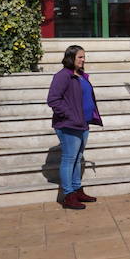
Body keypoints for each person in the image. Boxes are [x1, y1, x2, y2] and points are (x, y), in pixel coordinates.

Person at [46, 45, 103, 209]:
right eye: (80, 57)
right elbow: (53, 99)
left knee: (78, 158)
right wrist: (71, 115)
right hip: (68, 125)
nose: (83, 60)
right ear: (71, 58)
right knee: (69, 159)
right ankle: (68, 195)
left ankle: (77, 189)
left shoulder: (81, 75)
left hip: (82, 124)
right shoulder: (63, 76)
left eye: (84, 57)